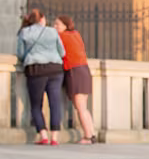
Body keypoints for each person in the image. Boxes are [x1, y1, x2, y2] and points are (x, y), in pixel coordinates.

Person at [17, 8, 66, 145]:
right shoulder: (52, 31)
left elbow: (20, 53)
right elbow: (62, 52)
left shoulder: (24, 32)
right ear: (42, 19)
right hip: (55, 69)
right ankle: (55, 137)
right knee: (55, 103)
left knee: (36, 105)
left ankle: (43, 135)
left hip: (36, 69)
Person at [55, 15, 98, 145]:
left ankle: (88, 136)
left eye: (58, 24)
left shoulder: (62, 37)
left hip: (74, 71)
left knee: (80, 107)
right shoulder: (76, 34)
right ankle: (92, 133)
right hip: (84, 70)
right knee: (84, 106)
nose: (55, 27)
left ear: (65, 26)